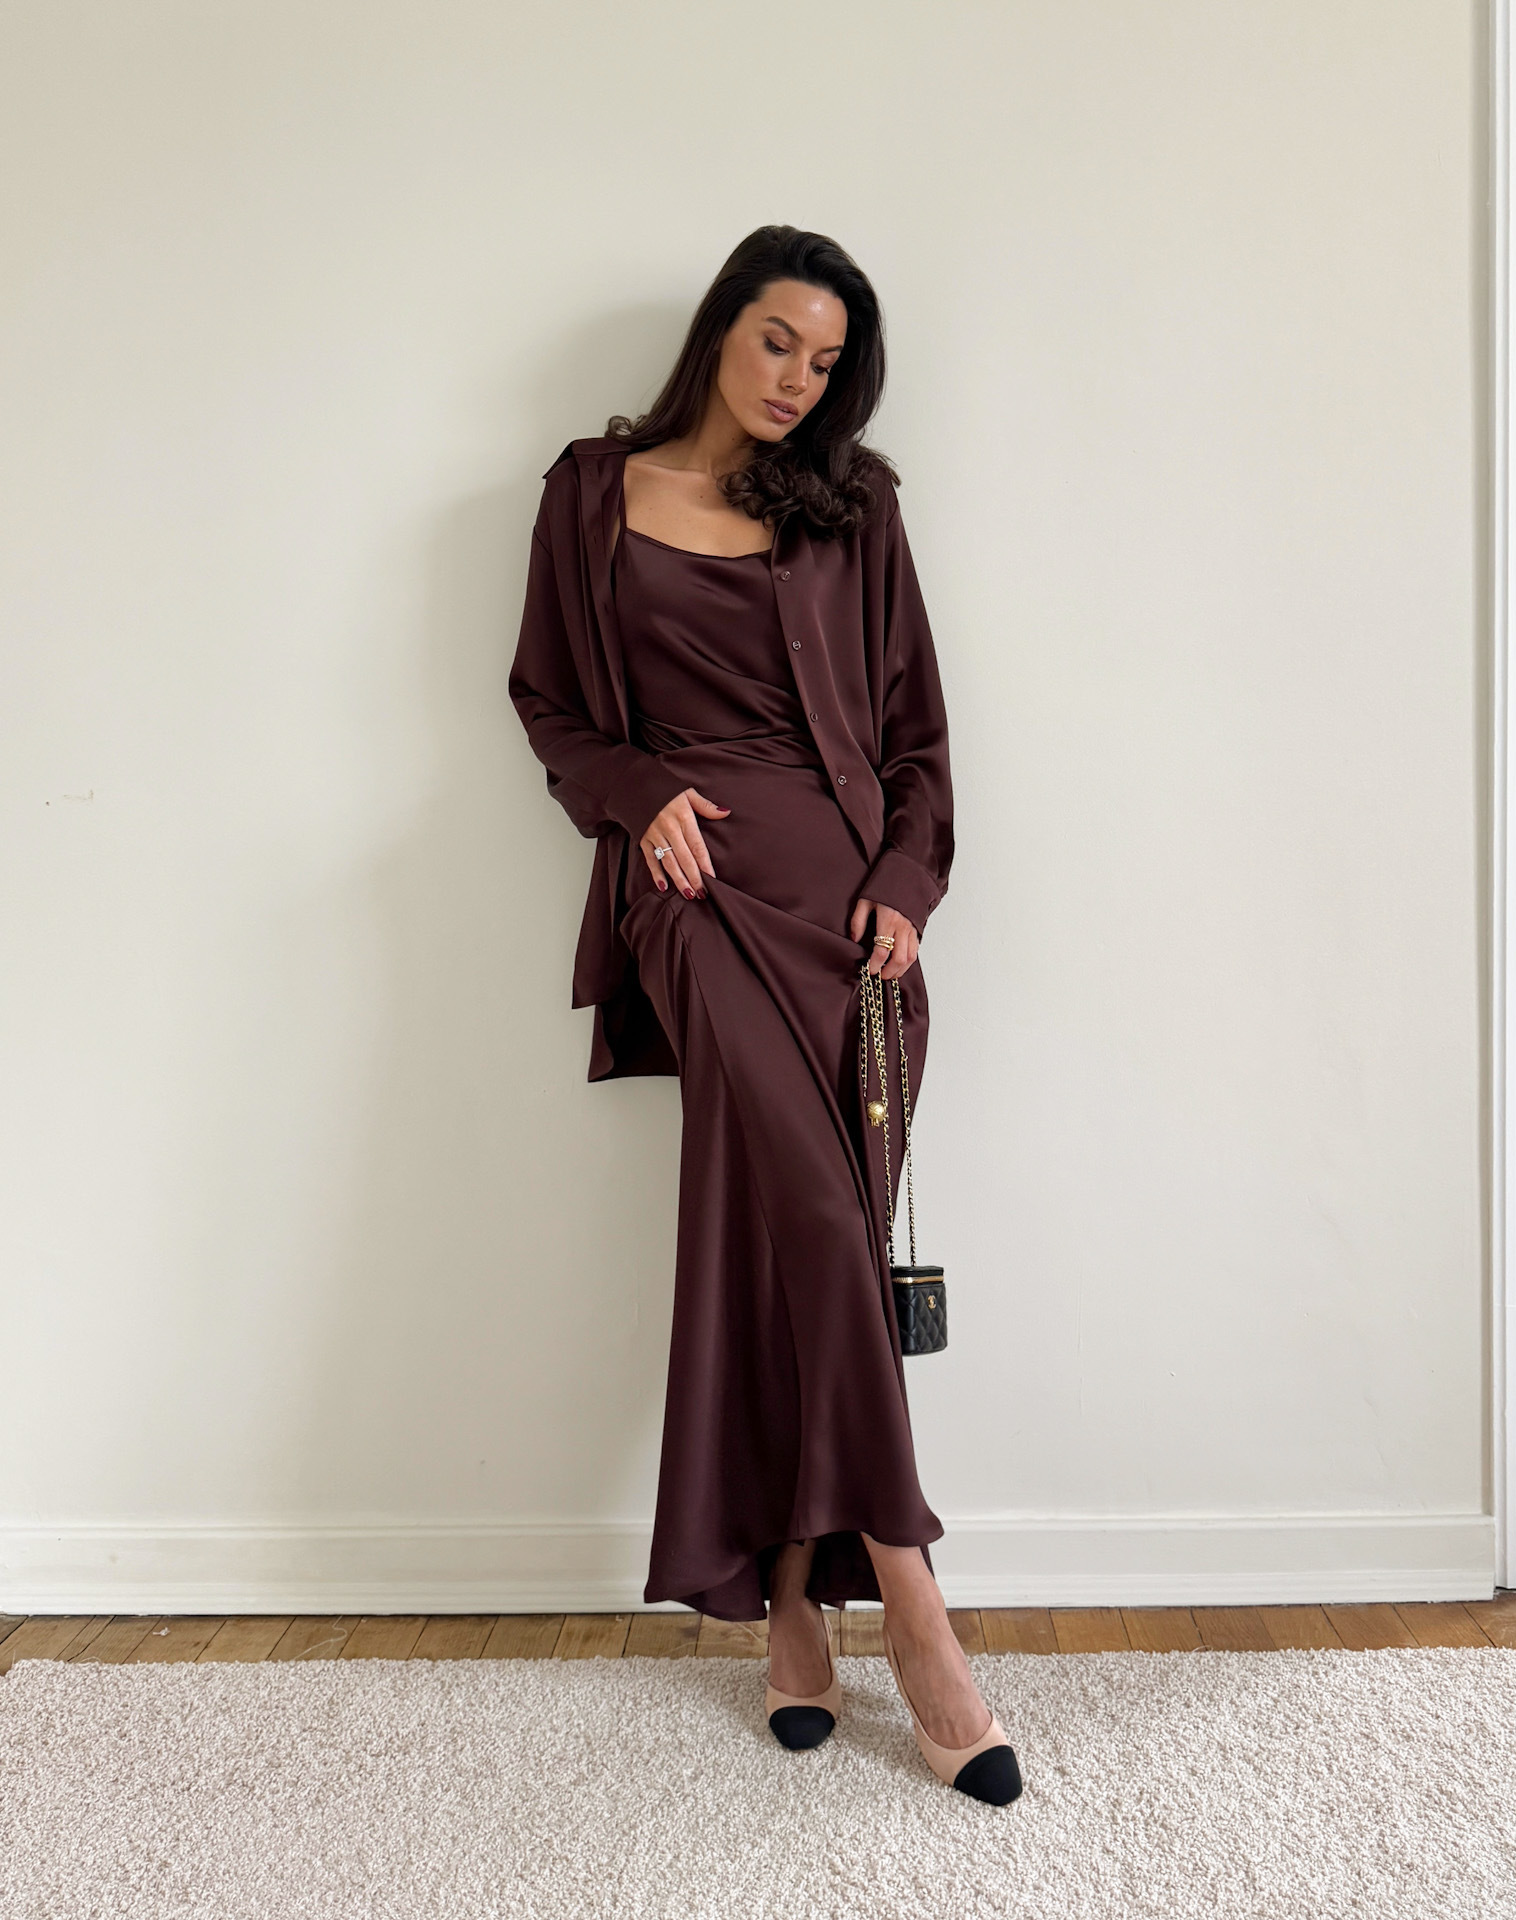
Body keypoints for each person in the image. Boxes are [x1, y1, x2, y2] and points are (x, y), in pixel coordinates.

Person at [508, 225, 1021, 1805]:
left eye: (827, 359)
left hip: (855, 920)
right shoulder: (591, 492)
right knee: (813, 1216)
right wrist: (636, 790)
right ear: (721, 327)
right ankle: (916, 1602)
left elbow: (918, 729)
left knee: (791, 1245)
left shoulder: (855, 507)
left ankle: (793, 1602)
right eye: (778, 340)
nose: (799, 377)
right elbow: (547, 702)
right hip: (695, 896)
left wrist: (910, 884)